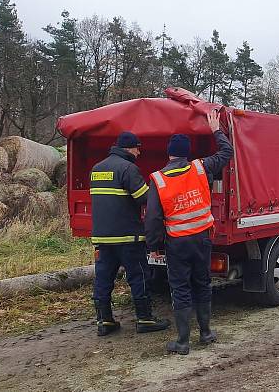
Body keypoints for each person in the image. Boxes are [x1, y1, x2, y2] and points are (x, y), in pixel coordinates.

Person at [145, 110, 233, 355]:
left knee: (180, 288)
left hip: (178, 243)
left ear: (169, 153)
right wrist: (216, 130)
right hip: (203, 239)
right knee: (203, 283)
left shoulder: (158, 179)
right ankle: (206, 333)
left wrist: (154, 245)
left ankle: (183, 341)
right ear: (187, 153)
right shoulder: (200, 167)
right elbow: (227, 153)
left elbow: (152, 218)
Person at [90, 131, 170, 336]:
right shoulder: (128, 168)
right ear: (129, 148)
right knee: (138, 276)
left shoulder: (97, 169)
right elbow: (144, 198)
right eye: (137, 147)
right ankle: (145, 319)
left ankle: (104, 321)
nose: (139, 151)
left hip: (102, 237)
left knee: (103, 278)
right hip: (127, 236)